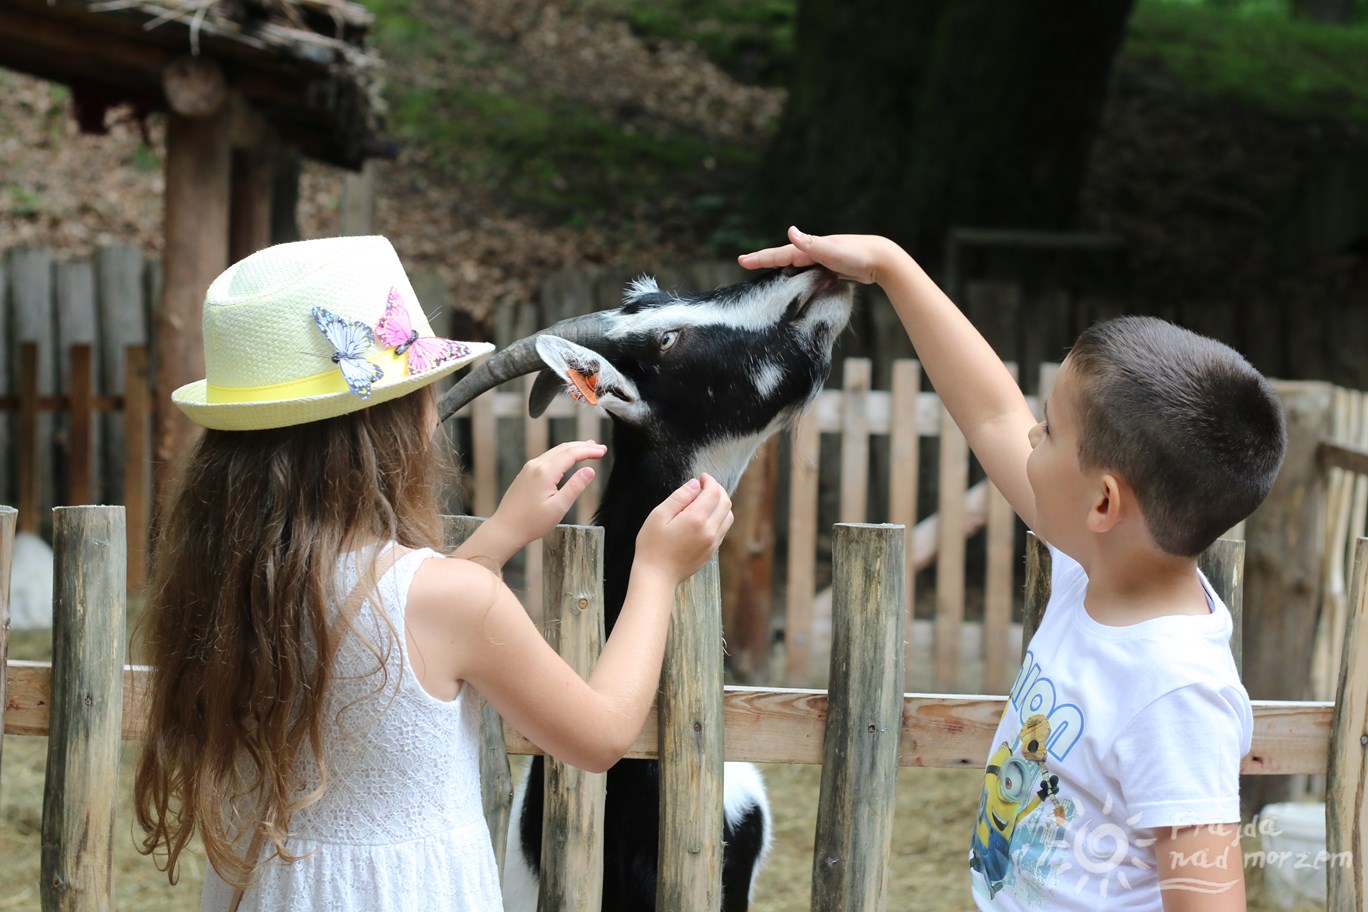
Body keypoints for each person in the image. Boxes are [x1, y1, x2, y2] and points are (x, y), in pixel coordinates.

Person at [133, 235, 734, 912]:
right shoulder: (455, 602)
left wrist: (498, 537)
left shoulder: (232, 586)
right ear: (398, 425)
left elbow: (396, 637)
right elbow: (598, 737)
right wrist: (655, 572)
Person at [740, 227, 1286, 912]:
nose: (1031, 432)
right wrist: (890, 266)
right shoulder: (1101, 564)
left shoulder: (1176, 694)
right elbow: (992, 412)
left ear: (1104, 501)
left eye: (1051, 430)